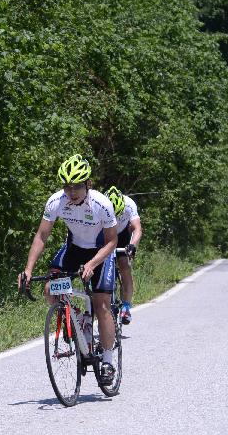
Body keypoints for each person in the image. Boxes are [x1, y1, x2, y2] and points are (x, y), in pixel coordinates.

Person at [18, 154, 119, 383]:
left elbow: (113, 241)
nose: (71, 193)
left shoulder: (102, 204)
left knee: (101, 302)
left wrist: (93, 264)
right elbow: (42, 235)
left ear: (88, 184)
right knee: (49, 289)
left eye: (76, 187)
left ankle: (107, 360)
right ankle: (73, 317)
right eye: (67, 187)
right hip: (73, 249)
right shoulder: (57, 202)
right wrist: (28, 269)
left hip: (100, 251)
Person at [105, 186, 142, 325]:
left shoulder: (129, 204)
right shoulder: (100, 203)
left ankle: (126, 306)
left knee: (125, 266)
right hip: (104, 234)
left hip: (122, 235)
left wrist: (132, 245)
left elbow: (137, 228)